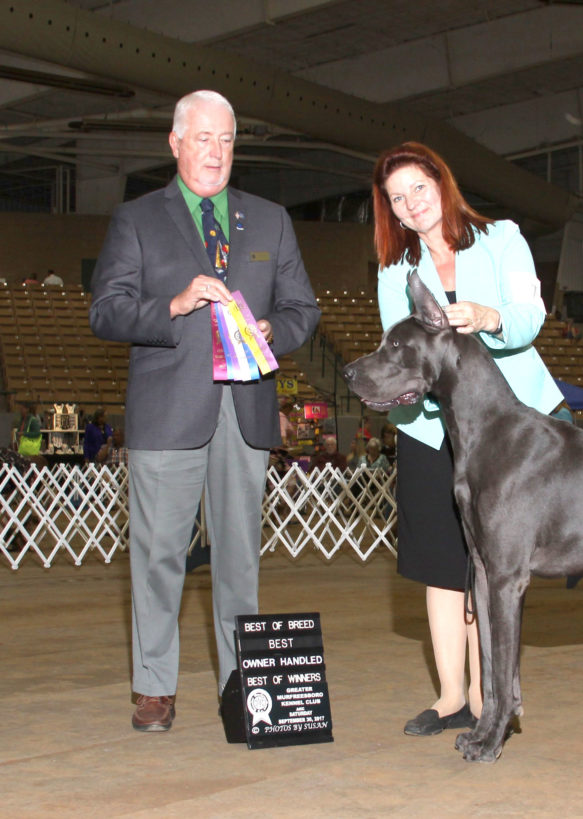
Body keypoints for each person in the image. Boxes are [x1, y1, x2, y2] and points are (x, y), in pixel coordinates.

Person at [89, 90, 321, 733]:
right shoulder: (137, 219)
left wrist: (274, 328)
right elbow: (106, 311)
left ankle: (242, 687)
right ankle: (155, 687)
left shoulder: (270, 219)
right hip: (169, 411)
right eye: (203, 139)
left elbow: (305, 309)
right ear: (175, 142)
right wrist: (173, 304)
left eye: (226, 140)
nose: (215, 152)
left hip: (245, 413)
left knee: (240, 558)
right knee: (158, 553)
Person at [373, 141, 562, 737]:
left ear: (442, 182)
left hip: (516, 428)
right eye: (397, 199)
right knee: (442, 567)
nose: (410, 205)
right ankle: (452, 694)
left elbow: (531, 317)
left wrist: (487, 317)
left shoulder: (502, 238)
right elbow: (402, 358)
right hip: (433, 433)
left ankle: (491, 698)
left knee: (498, 567)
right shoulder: (394, 271)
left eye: (418, 190)